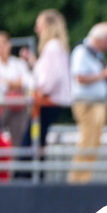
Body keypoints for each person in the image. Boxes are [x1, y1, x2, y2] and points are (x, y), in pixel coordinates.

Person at [68, 22, 107, 183]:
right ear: (102, 38)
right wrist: (106, 73)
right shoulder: (81, 52)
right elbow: (79, 77)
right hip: (87, 104)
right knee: (88, 141)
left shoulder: (95, 54)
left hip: (96, 103)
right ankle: (77, 180)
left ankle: (83, 178)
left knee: (94, 142)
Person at [20, 9, 70, 157]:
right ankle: (34, 175)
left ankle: (29, 176)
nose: (37, 29)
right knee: (37, 140)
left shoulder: (52, 47)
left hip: (46, 102)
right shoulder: (57, 47)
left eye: (39, 25)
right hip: (49, 101)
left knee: (31, 141)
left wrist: (40, 89)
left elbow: (50, 79)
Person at [0, 31, 33, 149]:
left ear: (9, 44)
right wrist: (16, 83)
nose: (1, 47)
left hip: (17, 107)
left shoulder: (18, 63)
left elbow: (28, 82)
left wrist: (5, 82)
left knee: (19, 140)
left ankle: (17, 165)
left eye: (4, 43)